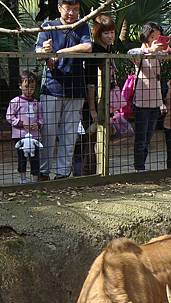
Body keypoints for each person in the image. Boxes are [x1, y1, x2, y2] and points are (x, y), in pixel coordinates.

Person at [35, 0, 92, 180]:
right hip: (51, 88)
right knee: (48, 133)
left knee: (70, 135)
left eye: (76, 9)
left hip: (76, 89)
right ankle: (43, 173)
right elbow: (38, 52)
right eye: (69, 9)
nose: (72, 14)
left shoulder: (82, 26)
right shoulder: (49, 26)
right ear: (60, 8)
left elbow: (88, 47)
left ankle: (62, 174)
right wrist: (45, 51)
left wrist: (61, 52)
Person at [128, 22, 171, 171]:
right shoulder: (140, 53)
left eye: (158, 37)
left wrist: (168, 50)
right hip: (141, 102)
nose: (156, 40)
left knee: (148, 138)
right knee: (141, 138)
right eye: (153, 37)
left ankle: (142, 166)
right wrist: (150, 51)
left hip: (156, 102)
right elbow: (131, 53)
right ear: (146, 37)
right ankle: (139, 167)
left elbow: (170, 55)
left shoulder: (158, 55)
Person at [82, 14, 116, 174]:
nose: (110, 36)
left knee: (100, 137)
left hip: (104, 101)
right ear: (98, 33)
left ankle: (99, 172)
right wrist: (92, 109)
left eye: (112, 32)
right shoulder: (95, 51)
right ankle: (88, 174)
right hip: (93, 102)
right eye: (106, 33)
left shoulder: (108, 49)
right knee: (90, 139)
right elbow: (90, 83)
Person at [6, 71, 43, 184]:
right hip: (20, 136)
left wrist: (38, 124)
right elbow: (9, 116)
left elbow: (41, 118)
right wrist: (21, 123)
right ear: (20, 85)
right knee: (22, 158)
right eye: (26, 87)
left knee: (35, 159)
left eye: (32, 88)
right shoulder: (15, 101)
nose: (29, 90)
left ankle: (35, 180)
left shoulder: (37, 103)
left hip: (34, 136)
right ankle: (22, 179)